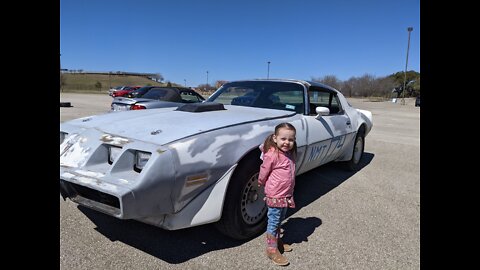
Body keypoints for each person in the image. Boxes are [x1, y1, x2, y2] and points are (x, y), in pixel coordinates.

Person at [258, 122, 297, 266]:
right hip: (275, 194)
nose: (287, 142)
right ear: (275, 138)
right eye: (283, 139)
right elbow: (264, 169)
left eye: (291, 139)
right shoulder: (272, 154)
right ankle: (271, 249)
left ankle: (277, 241)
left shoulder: (288, 154)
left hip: (285, 194)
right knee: (273, 221)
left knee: (280, 218)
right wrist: (260, 181)